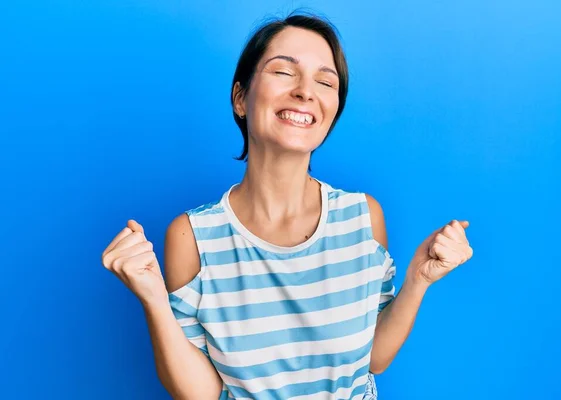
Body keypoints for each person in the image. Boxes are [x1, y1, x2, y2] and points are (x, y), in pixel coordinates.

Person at [101, 12, 473, 400]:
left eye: (325, 81)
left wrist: (418, 279)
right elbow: (202, 393)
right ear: (241, 98)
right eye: (284, 72)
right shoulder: (192, 236)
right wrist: (154, 300)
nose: (305, 91)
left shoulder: (362, 216)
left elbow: (374, 358)